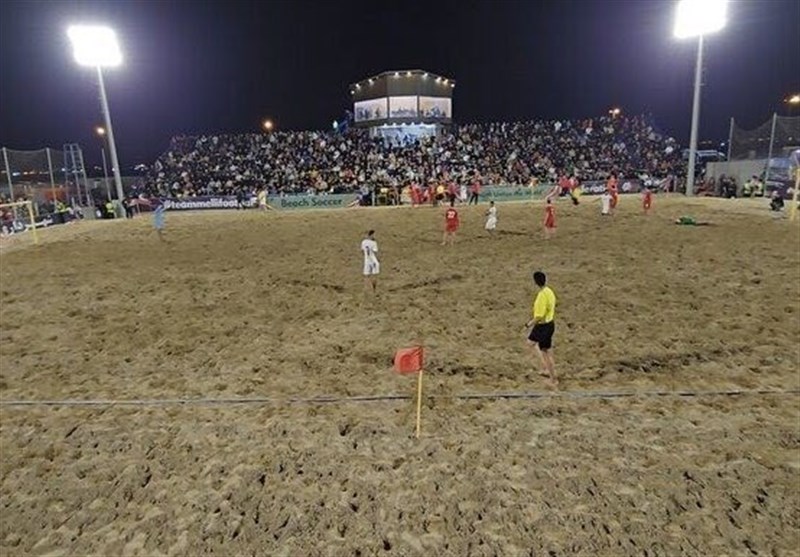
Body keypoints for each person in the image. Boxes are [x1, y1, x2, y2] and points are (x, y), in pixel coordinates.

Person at [523, 271, 557, 385]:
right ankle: (548, 372)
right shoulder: (549, 291)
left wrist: (528, 324)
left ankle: (550, 376)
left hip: (543, 326)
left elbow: (539, 316)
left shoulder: (542, 296)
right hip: (550, 324)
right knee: (545, 350)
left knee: (531, 344)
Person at [360, 229, 379, 293]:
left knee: (366, 276)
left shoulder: (363, 242)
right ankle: (374, 289)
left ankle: (366, 289)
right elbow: (375, 251)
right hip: (373, 260)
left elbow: (362, 251)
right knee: (374, 275)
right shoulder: (374, 243)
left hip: (367, 261)